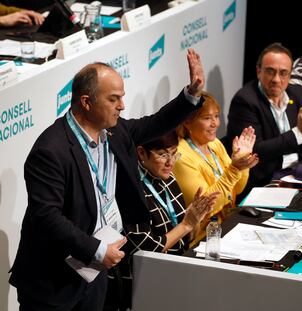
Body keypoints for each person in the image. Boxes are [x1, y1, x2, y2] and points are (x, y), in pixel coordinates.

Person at [9, 48, 206, 310]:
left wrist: (190, 95)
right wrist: (98, 251)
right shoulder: (51, 150)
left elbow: (156, 123)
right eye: (114, 99)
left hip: (95, 274)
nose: (122, 106)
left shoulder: (115, 131)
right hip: (54, 281)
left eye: (122, 98)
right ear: (87, 102)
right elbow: (46, 216)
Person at [105, 131, 220, 310]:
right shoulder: (129, 190)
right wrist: (186, 224)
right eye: (163, 154)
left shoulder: (169, 179)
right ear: (141, 153)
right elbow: (146, 249)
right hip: (143, 285)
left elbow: (185, 238)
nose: (170, 162)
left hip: (176, 272)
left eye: (174, 153)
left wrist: (196, 219)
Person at [226, 42, 302, 201]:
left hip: (296, 173)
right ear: (258, 71)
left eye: (283, 73)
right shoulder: (245, 101)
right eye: (270, 71)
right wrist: (299, 132)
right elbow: (255, 151)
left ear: (290, 75)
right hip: (264, 182)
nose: (276, 79)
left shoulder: (296, 93)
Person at [173, 91, 258, 243]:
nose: (215, 123)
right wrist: (235, 168)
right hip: (202, 238)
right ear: (187, 122)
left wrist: (243, 163)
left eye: (216, 116)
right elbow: (204, 207)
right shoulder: (181, 155)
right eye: (207, 118)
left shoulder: (214, 143)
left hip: (226, 225)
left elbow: (236, 189)